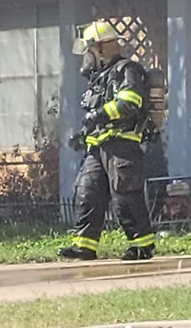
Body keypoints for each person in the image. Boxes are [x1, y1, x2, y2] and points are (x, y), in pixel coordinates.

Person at [58, 19, 156, 261]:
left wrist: (99, 114)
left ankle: (141, 246)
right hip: (98, 147)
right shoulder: (98, 78)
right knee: (87, 192)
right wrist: (84, 135)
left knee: (126, 195)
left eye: (89, 50)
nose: (87, 57)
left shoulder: (127, 70)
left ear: (102, 47)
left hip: (123, 145)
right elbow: (95, 115)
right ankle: (84, 246)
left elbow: (130, 102)